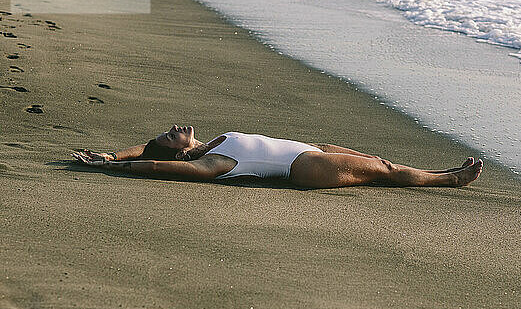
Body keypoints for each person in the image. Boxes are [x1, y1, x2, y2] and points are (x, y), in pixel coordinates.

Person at [71, 125, 483, 189]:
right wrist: (113, 167)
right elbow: (154, 163)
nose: (175, 126)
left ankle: (444, 173)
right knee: (384, 171)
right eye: (169, 134)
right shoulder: (210, 165)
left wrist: (110, 152)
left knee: (375, 159)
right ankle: (449, 178)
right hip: (301, 167)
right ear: (175, 147)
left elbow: (145, 149)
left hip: (311, 149)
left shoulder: (213, 143)